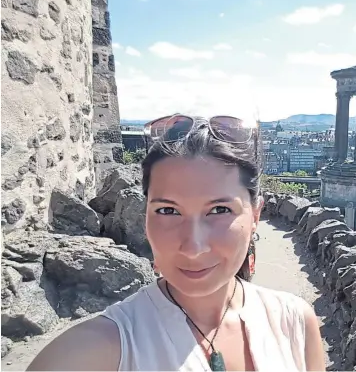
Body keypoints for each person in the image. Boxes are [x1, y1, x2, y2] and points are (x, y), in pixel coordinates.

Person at [27, 114, 326, 371]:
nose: (193, 246)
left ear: (256, 214)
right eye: (168, 211)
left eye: (219, 210)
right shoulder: (89, 354)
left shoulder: (295, 322)